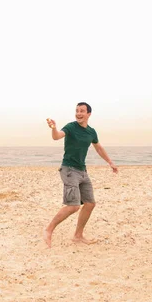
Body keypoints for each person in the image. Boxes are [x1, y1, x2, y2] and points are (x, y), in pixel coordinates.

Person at [43, 102, 118, 248]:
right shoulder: (71, 127)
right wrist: (54, 128)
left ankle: (78, 236)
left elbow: (98, 148)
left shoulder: (91, 132)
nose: (78, 113)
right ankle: (48, 229)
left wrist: (110, 162)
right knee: (73, 206)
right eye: (77, 110)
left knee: (90, 204)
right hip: (69, 169)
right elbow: (57, 136)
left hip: (82, 170)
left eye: (82, 111)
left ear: (89, 114)